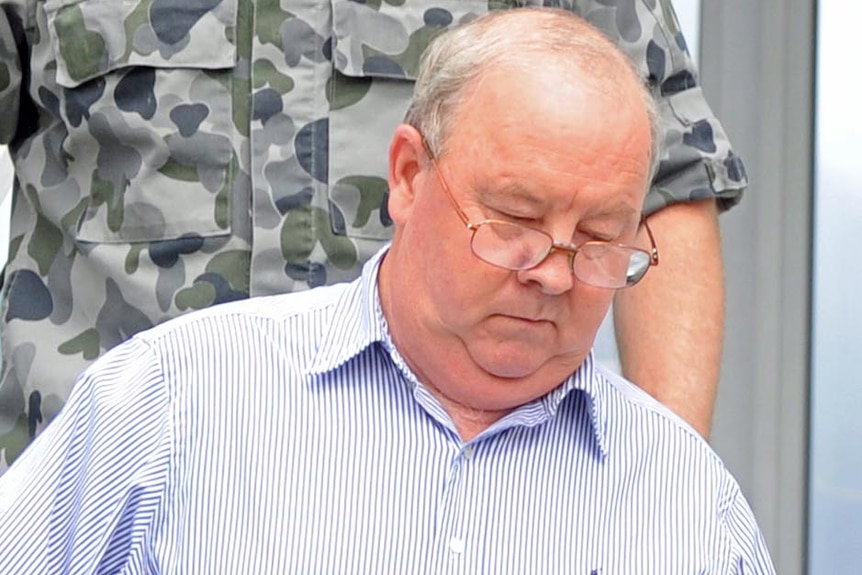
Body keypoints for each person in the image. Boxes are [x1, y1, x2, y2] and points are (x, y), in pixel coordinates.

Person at [0, 9, 773, 573]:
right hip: (106, 479)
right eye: (512, 218)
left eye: (597, 243)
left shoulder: (686, 503)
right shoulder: (160, 397)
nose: (552, 267)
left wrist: (651, 497)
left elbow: (665, 183)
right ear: (408, 177)